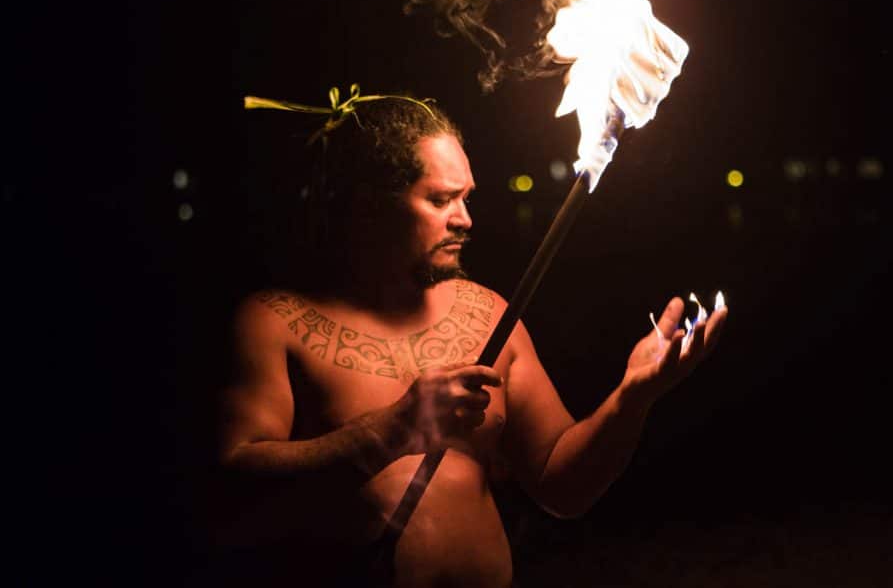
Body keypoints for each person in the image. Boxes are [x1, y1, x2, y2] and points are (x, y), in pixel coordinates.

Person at [214, 96, 727, 587]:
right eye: (440, 199)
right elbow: (232, 492)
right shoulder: (275, 322)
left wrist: (632, 397)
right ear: (369, 204)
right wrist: (394, 429)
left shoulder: (488, 317)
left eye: (466, 197)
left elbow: (562, 487)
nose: (465, 219)